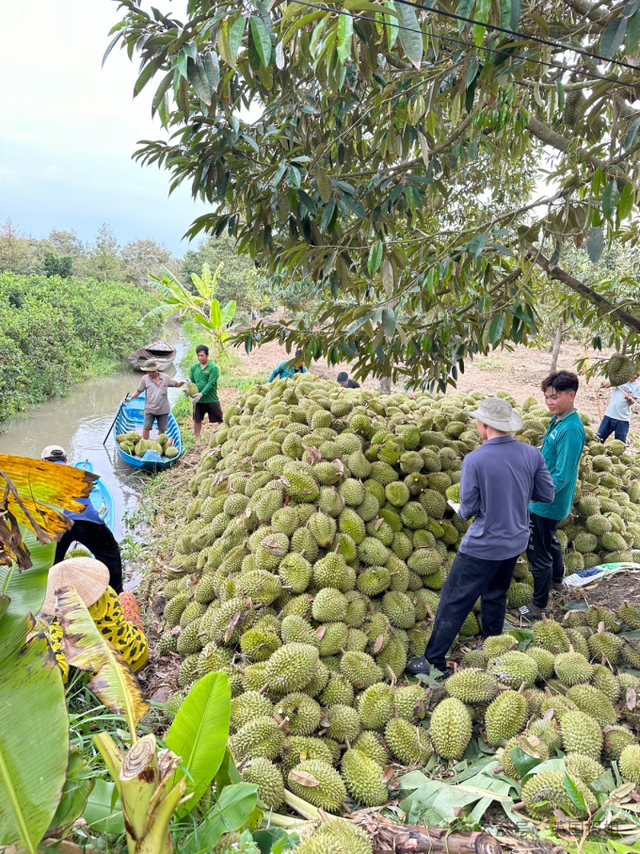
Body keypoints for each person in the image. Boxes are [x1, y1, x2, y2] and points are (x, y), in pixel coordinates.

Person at [406, 398, 554, 676]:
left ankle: (432, 661)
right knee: (496, 593)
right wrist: (516, 495)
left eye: (478, 421)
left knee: (454, 599)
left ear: (484, 425)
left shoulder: (475, 459)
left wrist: (460, 509)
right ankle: (492, 646)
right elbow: (547, 494)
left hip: (483, 545)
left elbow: (469, 509)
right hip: (515, 541)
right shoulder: (531, 454)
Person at [519, 370, 586, 622]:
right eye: (546, 397)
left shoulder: (571, 430)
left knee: (538, 552)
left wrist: (533, 494)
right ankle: (558, 581)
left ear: (572, 395)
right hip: (548, 500)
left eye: (554, 397)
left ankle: (539, 605)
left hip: (545, 502)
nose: (549, 402)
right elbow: (550, 457)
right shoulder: (559, 419)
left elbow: (563, 476)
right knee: (550, 539)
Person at [38, 557, 148, 683]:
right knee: (126, 597)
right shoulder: (107, 592)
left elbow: (60, 673)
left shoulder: (59, 626)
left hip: (110, 683)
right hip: (139, 656)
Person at [42, 445, 124, 593]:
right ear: (66, 460)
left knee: (51, 563)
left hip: (59, 526)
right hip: (88, 522)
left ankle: (48, 598)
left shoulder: (38, 481)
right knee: (110, 551)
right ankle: (116, 591)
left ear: (44, 462)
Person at [127, 359, 184, 440]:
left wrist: (183, 382)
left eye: (152, 371)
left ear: (156, 369)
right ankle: (145, 443)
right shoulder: (145, 379)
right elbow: (138, 391)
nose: (150, 373)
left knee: (162, 430)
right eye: (148, 372)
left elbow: (176, 384)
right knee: (146, 428)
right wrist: (130, 398)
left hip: (163, 410)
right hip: (150, 409)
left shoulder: (165, 378)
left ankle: (159, 445)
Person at [189, 344, 223, 442]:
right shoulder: (194, 367)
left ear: (207, 355)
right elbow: (191, 382)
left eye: (202, 355)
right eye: (198, 356)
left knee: (219, 418)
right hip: (198, 400)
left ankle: (222, 436)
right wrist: (188, 391)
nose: (200, 358)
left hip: (211, 398)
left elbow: (211, 383)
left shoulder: (213, 368)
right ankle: (197, 440)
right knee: (197, 419)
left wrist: (201, 394)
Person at [597, 374, 640, 444]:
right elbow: (605, 384)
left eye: (638, 375)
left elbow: (632, 401)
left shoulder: (638, 385)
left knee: (620, 445)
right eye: (634, 374)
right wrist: (604, 382)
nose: (635, 376)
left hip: (623, 419)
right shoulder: (619, 379)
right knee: (598, 440)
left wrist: (628, 398)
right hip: (610, 414)